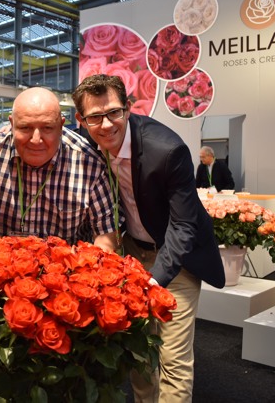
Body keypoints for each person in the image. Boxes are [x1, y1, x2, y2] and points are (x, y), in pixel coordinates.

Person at [72, 74, 225, 403]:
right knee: (139, 352)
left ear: (128, 108)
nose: (106, 124)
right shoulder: (86, 144)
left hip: (177, 258)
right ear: (81, 120)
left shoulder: (167, 150)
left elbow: (184, 224)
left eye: (114, 112)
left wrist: (154, 280)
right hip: (131, 255)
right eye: (95, 117)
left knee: (173, 358)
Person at [0, 86, 118, 252]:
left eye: (47, 128)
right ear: (12, 124)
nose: (36, 140)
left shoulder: (90, 165)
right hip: (3, 263)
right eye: (25, 128)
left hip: (67, 264)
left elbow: (106, 234)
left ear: (61, 126)